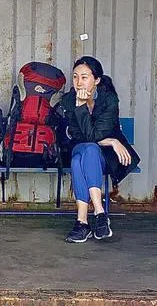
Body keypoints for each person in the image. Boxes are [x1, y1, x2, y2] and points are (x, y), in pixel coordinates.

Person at [57, 56, 137, 243]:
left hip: (104, 157)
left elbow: (93, 136)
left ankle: (82, 223)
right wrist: (109, 140)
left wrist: (110, 142)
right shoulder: (69, 100)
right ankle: (100, 213)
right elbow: (80, 136)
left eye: (84, 77)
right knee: (88, 149)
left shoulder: (109, 100)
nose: (78, 82)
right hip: (77, 148)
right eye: (75, 77)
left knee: (83, 158)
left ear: (97, 80)